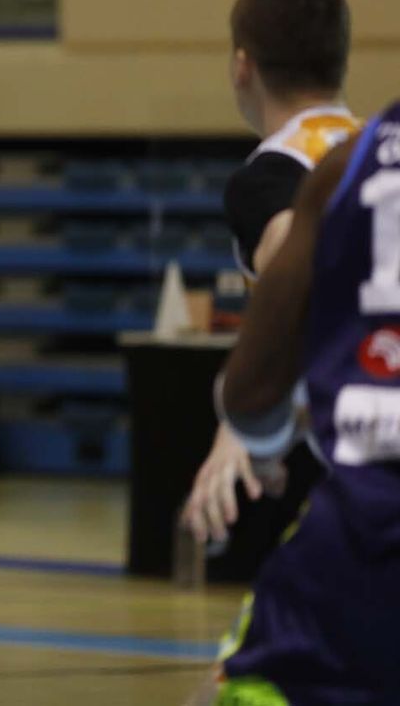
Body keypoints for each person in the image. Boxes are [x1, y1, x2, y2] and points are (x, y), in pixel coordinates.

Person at [204, 109, 400, 704]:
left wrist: (255, 434)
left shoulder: (352, 161)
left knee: (245, 683)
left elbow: (250, 391)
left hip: (358, 539)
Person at [181, 0, 359, 552]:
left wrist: (251, 415)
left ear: (242, 67)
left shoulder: (274, 176)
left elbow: (305, 265)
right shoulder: (376, 147)